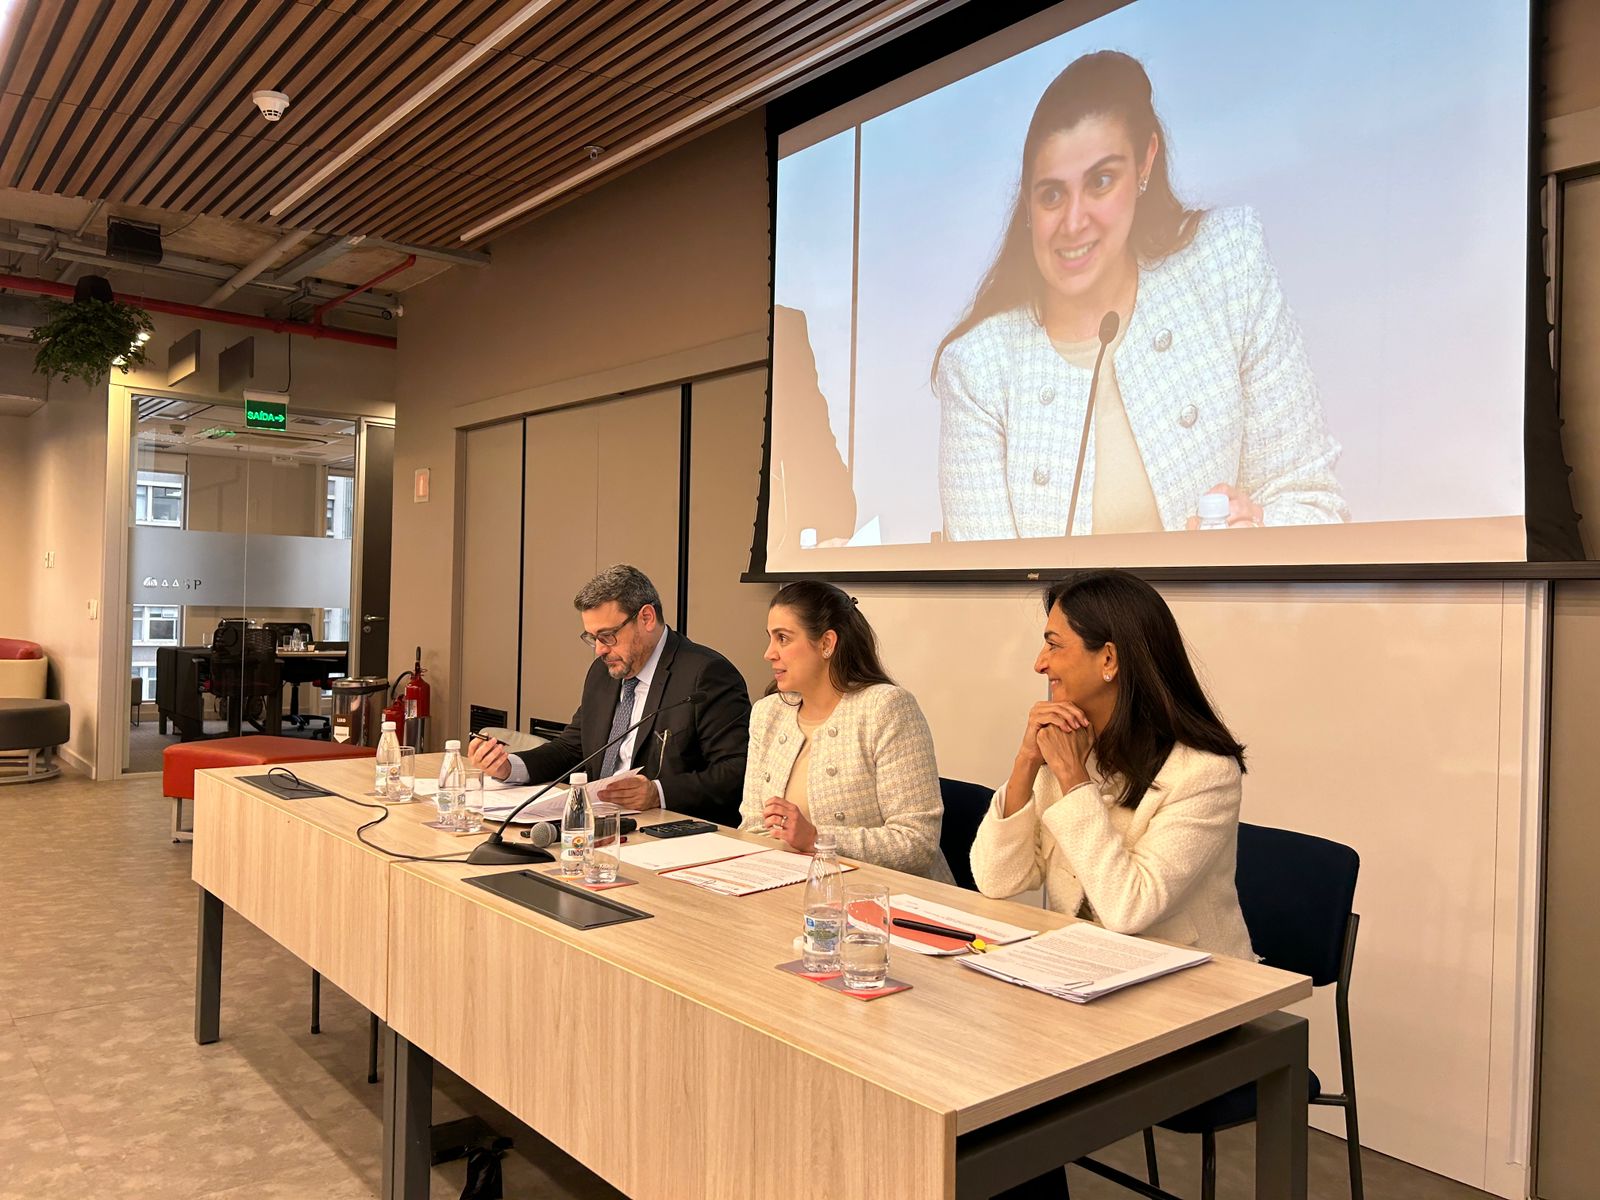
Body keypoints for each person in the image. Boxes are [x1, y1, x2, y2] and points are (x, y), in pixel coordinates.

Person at [933, 50, 1347, 539]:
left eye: (1101, 181)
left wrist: (1254, 533)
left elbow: (1313, 504)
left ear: (1145, 163)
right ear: (1027, 204)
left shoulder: (1227, 262)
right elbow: (988, 582)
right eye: (1052, 195)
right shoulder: (978, 367)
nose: (1073, 221)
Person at [970, 569, 1254, 960]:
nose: (1040, 664)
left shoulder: (1205, 773)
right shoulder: (1069, 742)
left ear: (1108, 658)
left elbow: (1127, 910)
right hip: (1083, 966)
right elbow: (996, 879)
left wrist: (1074, 779)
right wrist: (1027, 760)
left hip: (1190, 977)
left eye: (1053, 645)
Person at [467, 565, 751, 827]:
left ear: (646, 618)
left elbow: (736, 771)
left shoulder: (705, 675)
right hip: (598, 824)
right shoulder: (602, 672)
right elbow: (572, 749)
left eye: (607, 636)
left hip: (668, 829)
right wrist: (510, 767)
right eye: (592, 638)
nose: (599, 650)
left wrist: (658, 792)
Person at [739, 580, 954, 881]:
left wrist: (817, 839)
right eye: (770, 638)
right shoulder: (768, 712)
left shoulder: (886, 708)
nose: (769, 653)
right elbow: (753, 826)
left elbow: (916, 843)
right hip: (789, 885)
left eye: (783, 639)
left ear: (826, 643)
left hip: (886, 894)